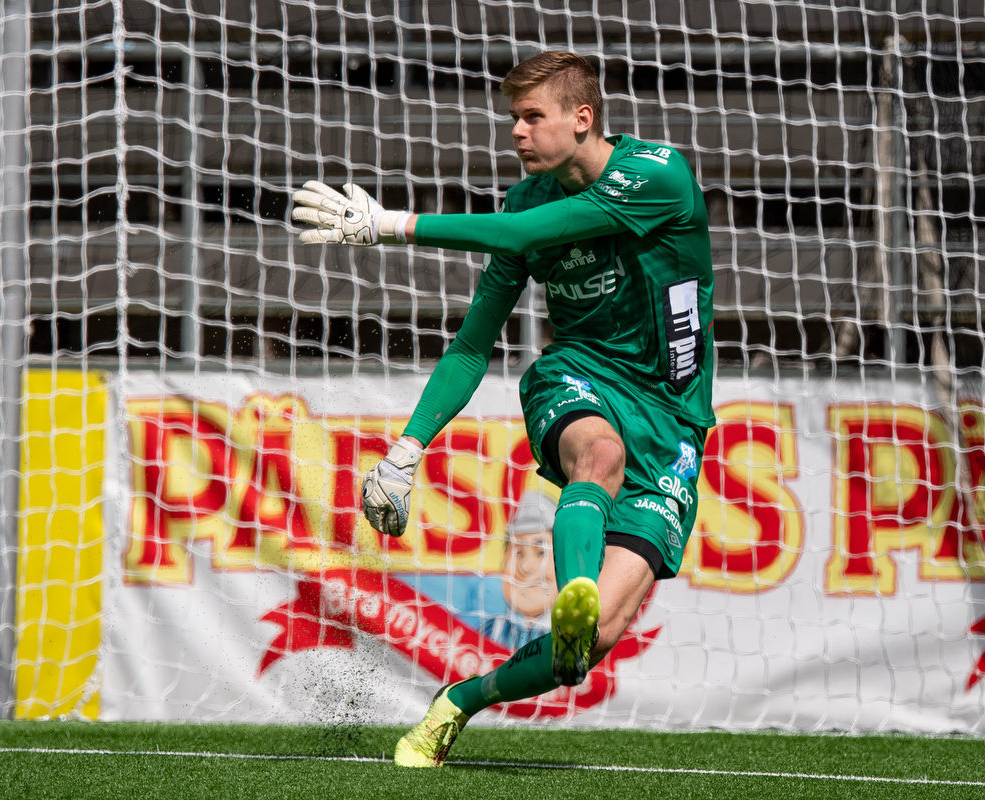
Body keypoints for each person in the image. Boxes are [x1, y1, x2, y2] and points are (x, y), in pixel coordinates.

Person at [292, 50, 716, 768]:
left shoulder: (657, 175)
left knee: (585, 650)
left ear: (582, 119)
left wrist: (392, 224)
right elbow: (470, 348)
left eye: (531, 117)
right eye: (512, 118)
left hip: (673, 421)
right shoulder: (525, 202)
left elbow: (520, 236)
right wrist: (407, 448)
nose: (516, 132)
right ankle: (574, 588)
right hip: (578, 377)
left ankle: (458, 701)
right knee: (599, 455)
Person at [486, 489, 558, 651]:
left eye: (541, 553)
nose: (526, 567)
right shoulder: (492, 631)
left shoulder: (573, 634)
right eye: (518, 553)